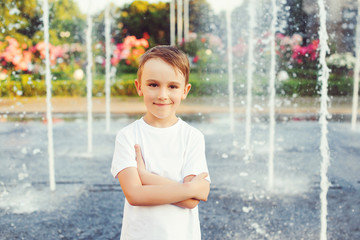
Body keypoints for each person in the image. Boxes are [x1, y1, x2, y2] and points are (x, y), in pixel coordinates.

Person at [110, 45, 211, 240]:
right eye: (153, 85)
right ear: (139, 87)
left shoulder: (192, 137)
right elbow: (135, 195)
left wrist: (144, 176)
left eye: (172, 86)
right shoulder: (128, 136)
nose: (162, 94)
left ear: (185, 90)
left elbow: (191, 202)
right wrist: (189, 188)